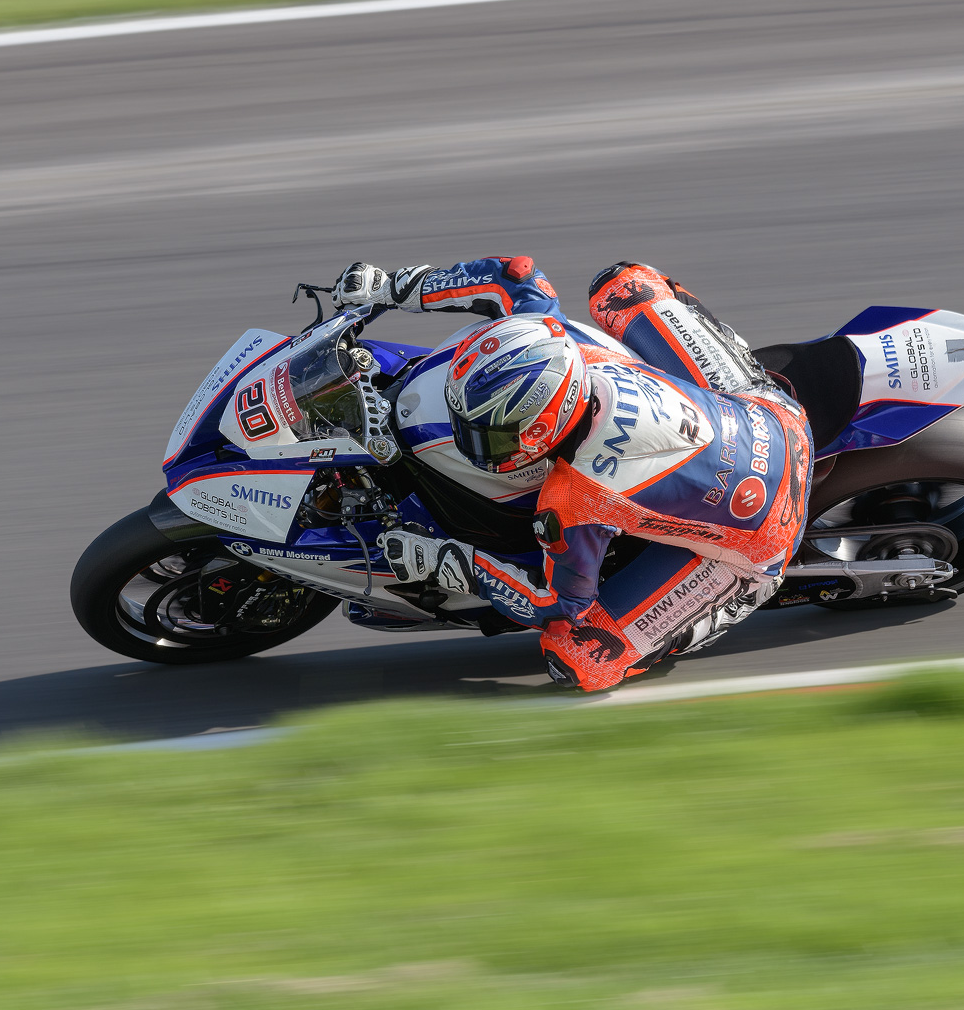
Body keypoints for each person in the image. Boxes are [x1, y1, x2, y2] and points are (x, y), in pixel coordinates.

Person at [330, 256, 813, 691]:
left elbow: (559, 603)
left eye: (490, 436)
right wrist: (392, 287)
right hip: (768, 410)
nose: (472, 443)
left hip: (765, 532)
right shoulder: (556, 338)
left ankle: (732, 594)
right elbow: (512, 276)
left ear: (545, 427)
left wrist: (447, 561)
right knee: (622, 285)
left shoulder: (577, 494)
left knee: (579, 656)